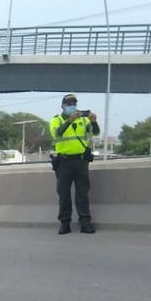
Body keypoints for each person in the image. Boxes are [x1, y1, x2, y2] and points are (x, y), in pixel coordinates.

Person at [49, 93, 101, 235]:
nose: (72, 106)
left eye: (74, 104)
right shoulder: (56, 120)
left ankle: (85, 223)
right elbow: (57, 134)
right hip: (63, 162)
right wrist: (69, 121)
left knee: (82, 193)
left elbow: (96, 132)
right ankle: (65, 223)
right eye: (69, 104)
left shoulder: (83, 120)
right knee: (64, 194)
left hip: (81, 161)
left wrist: (94, 121)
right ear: (63, 106)